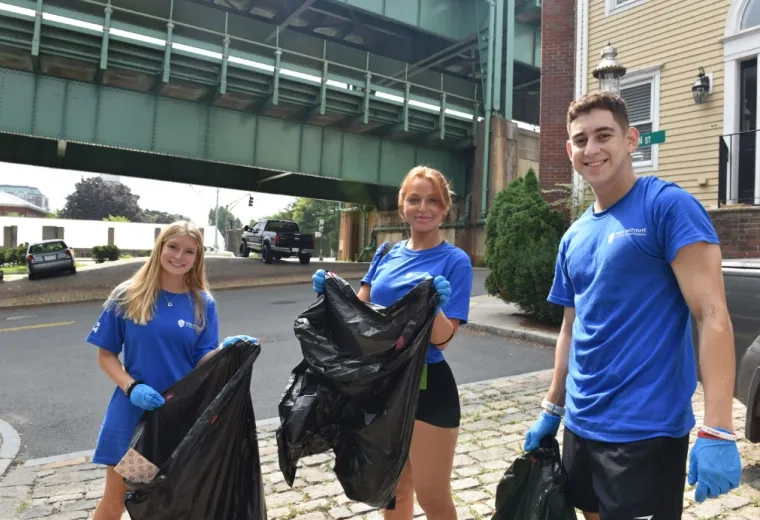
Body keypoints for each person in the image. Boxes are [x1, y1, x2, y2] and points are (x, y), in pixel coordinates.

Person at [523, 91, 742, 520]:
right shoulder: (574, 236)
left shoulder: (667, 207)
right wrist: (553, 408)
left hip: (645, 432)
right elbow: (571, 327)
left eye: (604, 135)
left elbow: (712, 313)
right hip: (582, 425)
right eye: (581, 140)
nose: (592, 149)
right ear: (570, 150)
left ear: (631, 139)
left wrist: (718, 426)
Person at [312, 166, 473, 520]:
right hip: (383, 386)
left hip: (427, 388)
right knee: (395, 491)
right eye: (414, 199)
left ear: (446, 209)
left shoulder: (454, 261)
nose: (423, 207)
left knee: (432, 497)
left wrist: (433, 305)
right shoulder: (386, 254)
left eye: (433, 200)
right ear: (403, 206)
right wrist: (333, 293)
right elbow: (360, 313)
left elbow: (444, 340)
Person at [87, 220, 255, 520]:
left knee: (172, 503)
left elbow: (203, 361)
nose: (179, 256)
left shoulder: (202, 303)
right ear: (160, 248)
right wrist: (132, 387)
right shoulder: (128, 295)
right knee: (118, 501)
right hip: (137, 419)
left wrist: (227, 353)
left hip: (182, 419)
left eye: (189, 251)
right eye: (173, 247)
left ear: (197, 257)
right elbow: (106, 355)